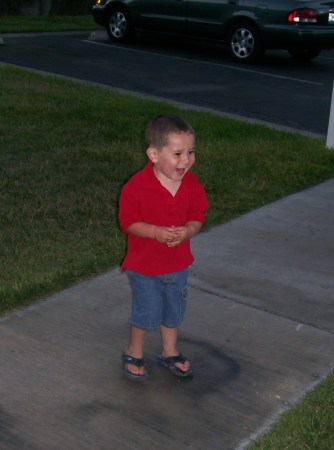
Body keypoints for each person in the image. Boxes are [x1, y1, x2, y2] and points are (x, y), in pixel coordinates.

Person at [118, 114, 208, 380]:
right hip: (145, 266)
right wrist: (155, 232)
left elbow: (198, 215)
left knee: (173, 311)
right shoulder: (136, 187)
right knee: (147, 312)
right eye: (178, 153)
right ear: (154, 155)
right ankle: (133, 350)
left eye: (190, 152)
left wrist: (189, 230)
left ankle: (170, 351)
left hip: (178, 264)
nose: (186, 160)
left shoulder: (191, 184)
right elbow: (128, 222)